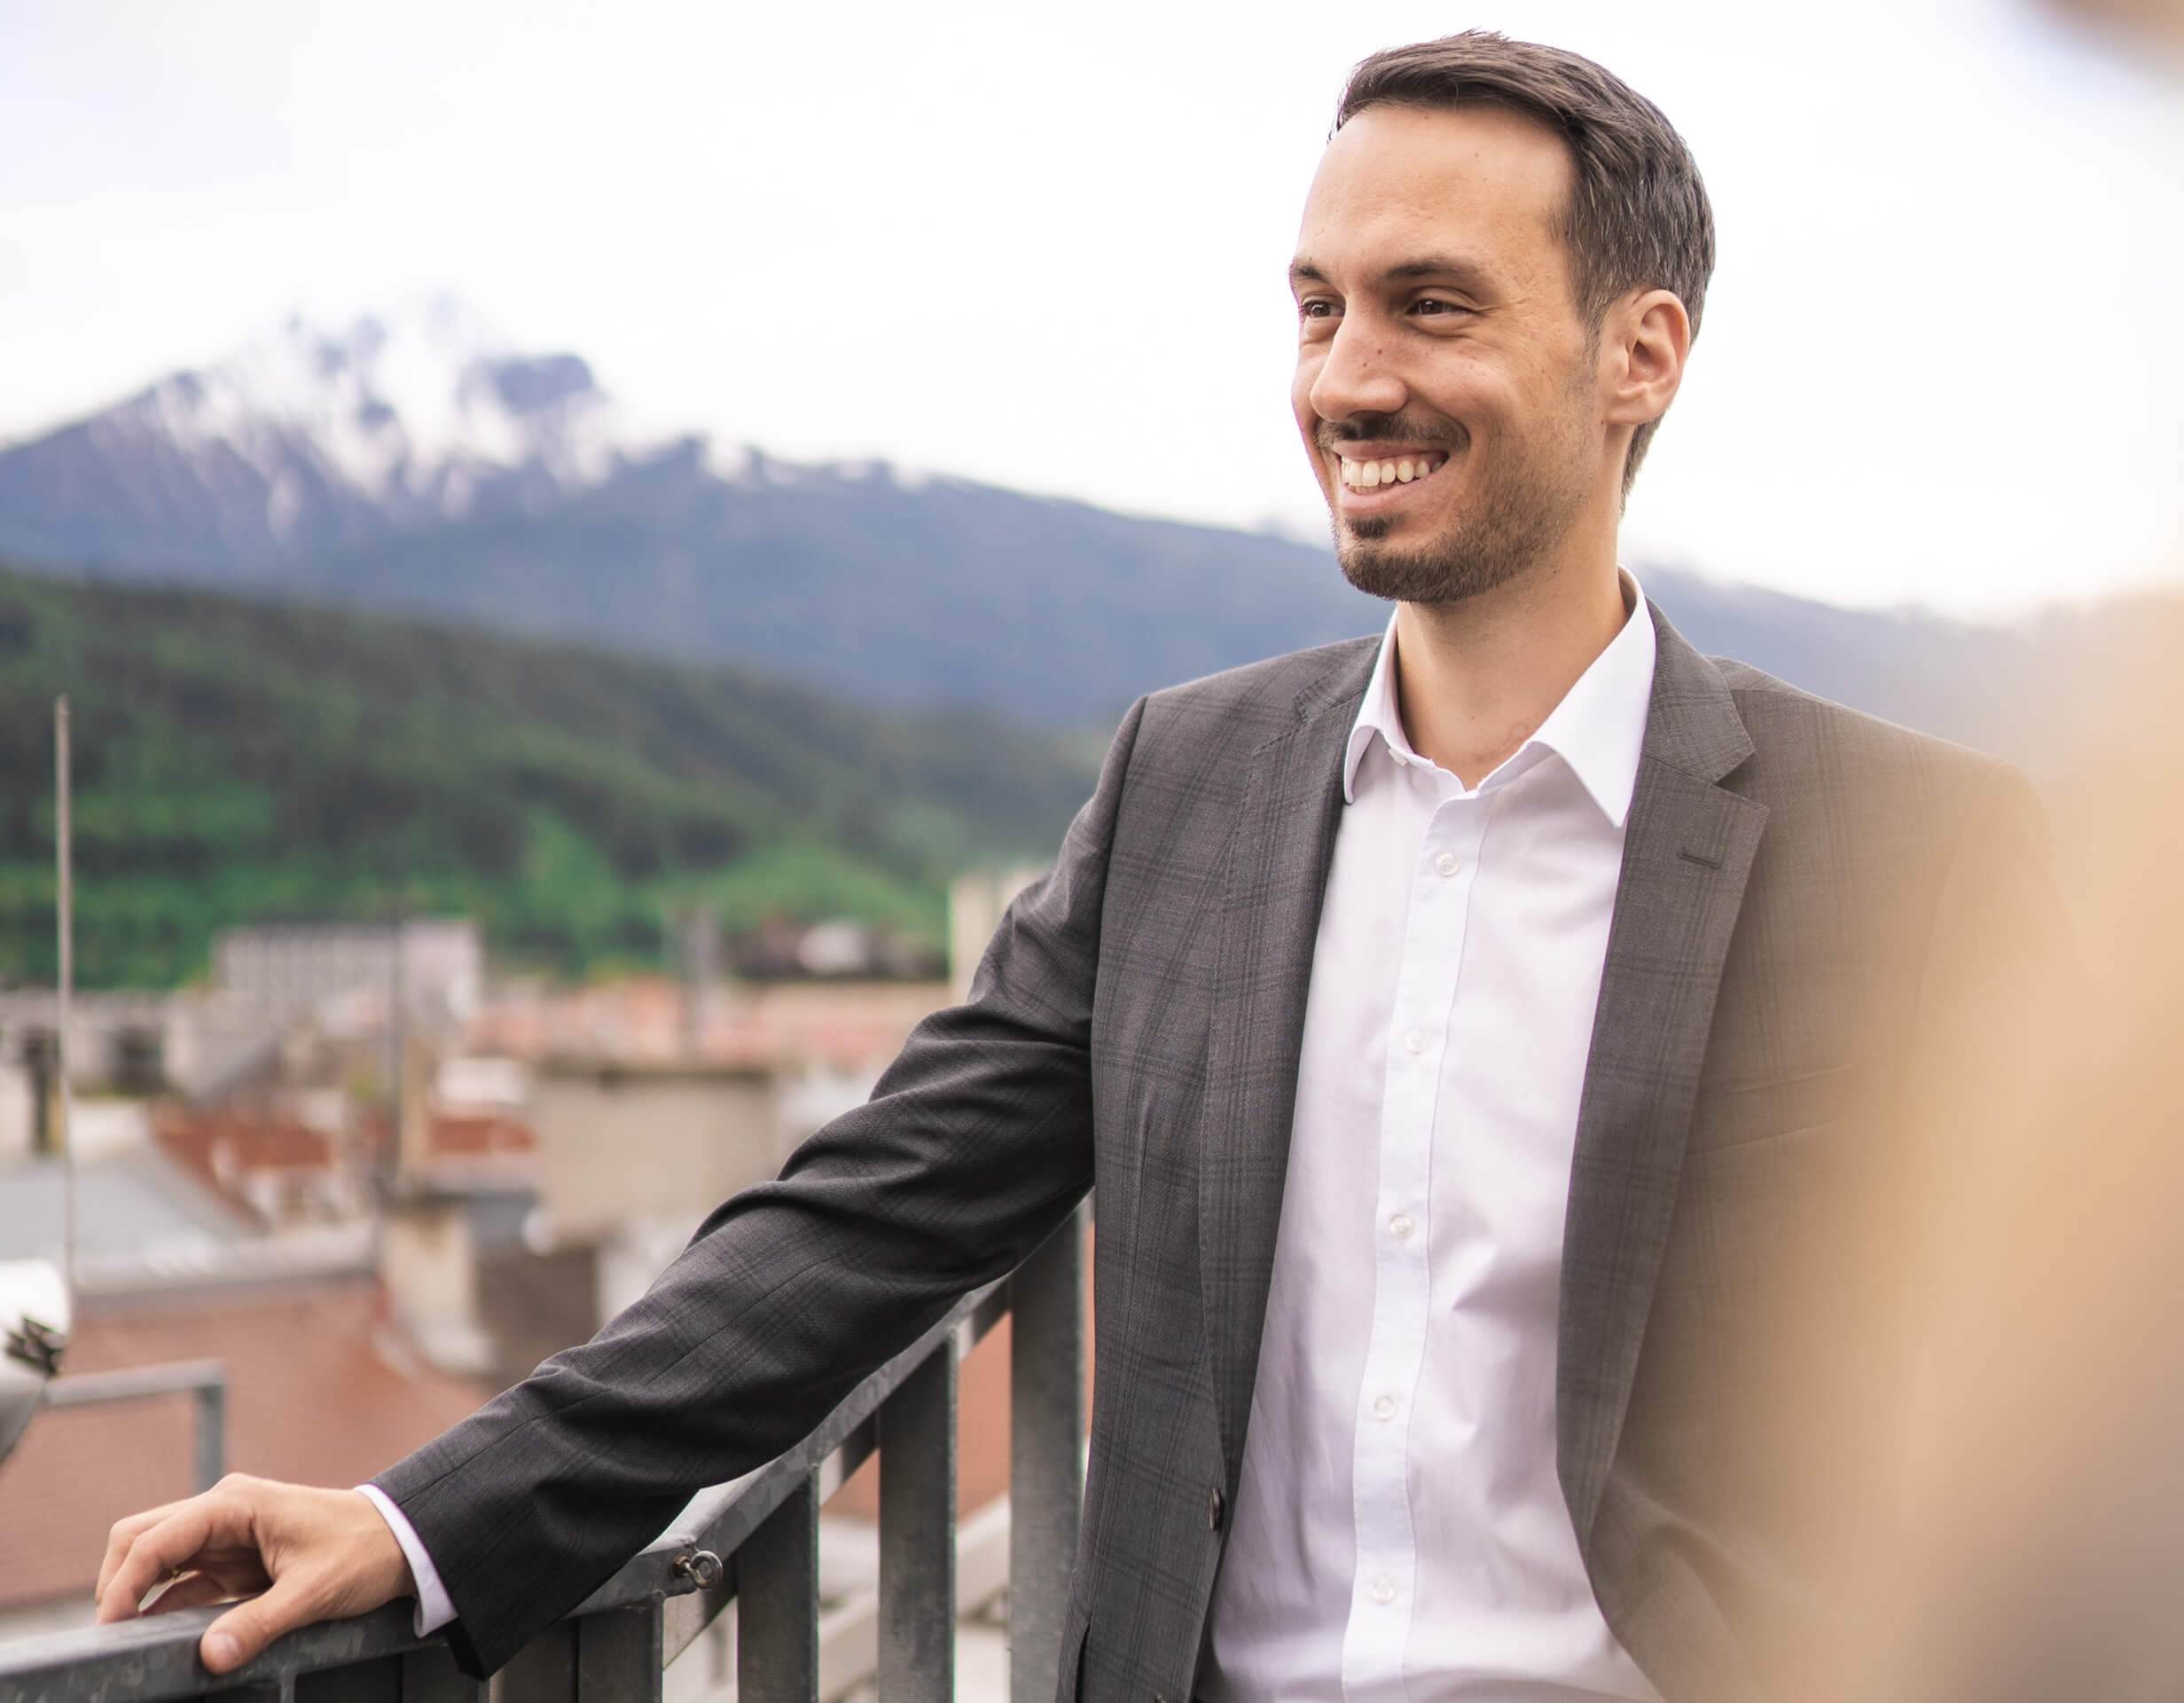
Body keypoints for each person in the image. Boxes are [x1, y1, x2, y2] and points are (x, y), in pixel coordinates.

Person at [94, 34, 2070, 1703]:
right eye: (1316, 306)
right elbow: (858, 1225)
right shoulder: (1182, 786)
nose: (1345, 378)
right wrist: (422, 1514)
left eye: (1431, 305)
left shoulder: (1916, 857)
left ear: (1639, 354)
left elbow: (2092, 1406)